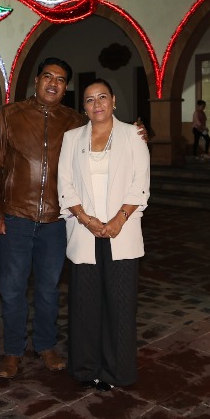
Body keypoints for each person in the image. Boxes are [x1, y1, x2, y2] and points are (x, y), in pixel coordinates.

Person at [0, 57, 147, 379]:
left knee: (48, 289)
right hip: (15, 216)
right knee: (12, 288)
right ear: (37, 80)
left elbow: (106, 128)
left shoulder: (74, 122)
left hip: (56, 221)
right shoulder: (10, 115)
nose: (53, 83)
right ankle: (13, 351)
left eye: (60, 79)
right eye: (48, 77)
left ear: (66, 87)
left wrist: (138, 130)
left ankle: (45, 345)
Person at [58, 79, 150, 391]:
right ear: (83, 107)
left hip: (121, 232)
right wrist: (85, 219)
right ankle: (85, 368)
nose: (96, 104)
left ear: (113, 100)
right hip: (84, 232)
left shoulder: (132, 135)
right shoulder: (72, 138)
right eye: (89, 100)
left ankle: (117, 370)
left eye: (102, 97)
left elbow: (140, 183)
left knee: (120, 305)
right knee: (85, 304)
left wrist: (119, 219)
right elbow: (65, 185)